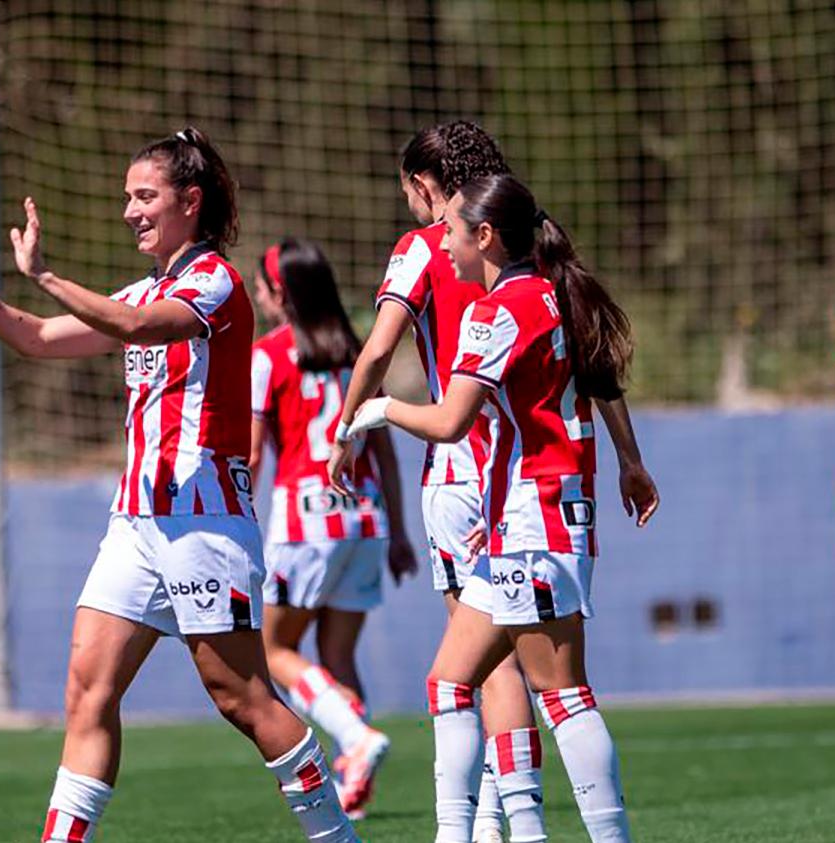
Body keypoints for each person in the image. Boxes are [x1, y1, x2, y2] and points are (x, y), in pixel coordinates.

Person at [0, 128, 356, 842]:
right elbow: (37, 338)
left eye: (144, 196)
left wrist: (45, 275)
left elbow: (138, 326)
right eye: (127, 198)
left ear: (189, 202)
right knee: (87, 691)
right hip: (134, 524)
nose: (130, 211)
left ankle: (337, 836)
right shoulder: (145, 287)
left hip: (204, 522)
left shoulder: (215, 282)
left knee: (242, 698)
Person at [328, 120, 658, 842]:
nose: (443, 244)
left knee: (555, 693)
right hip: (520, 507)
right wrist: (630, 460)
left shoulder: (496, 305)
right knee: (460, 680)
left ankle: (546, 831)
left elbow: (443, 413)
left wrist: (366, 416)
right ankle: (475, 831)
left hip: (524, 508)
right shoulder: (551, 282)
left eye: (452, 232)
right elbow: (598, 376)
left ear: (482, 234)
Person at [248, 237, 416, 818]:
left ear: (281, 294)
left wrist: (235, 523)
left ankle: (355, 739)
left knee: (272, 650)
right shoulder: (358, 354)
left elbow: (252, 456)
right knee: (337, 655)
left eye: (263, 288)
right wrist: (399, 533)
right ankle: (356, 783)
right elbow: (386, 453)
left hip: (305, 522)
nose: (259, 298)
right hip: (365, 518)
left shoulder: (268, 356)